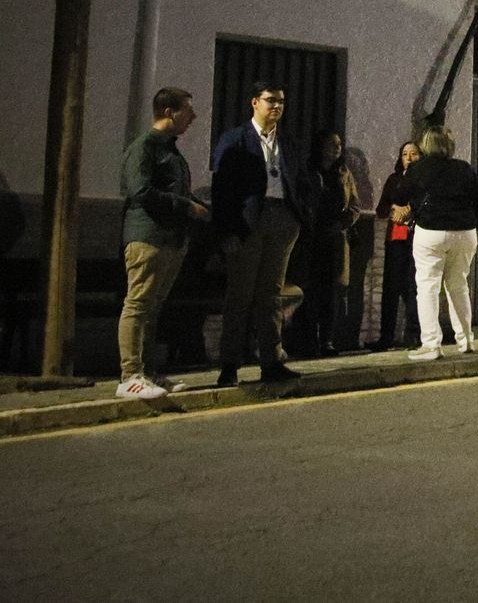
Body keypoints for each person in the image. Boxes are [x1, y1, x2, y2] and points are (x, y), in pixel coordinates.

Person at [211, 80, 309, 386]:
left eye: (281, 101)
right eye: (270, 100)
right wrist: (227, 230)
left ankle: (271, 361)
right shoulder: (236, 139)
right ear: (255, 102)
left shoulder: (288, 141)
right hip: (248, 220)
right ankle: (230, 364)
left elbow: (302, 179)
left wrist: (300, 214)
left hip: (283, 218)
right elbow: (222, 188)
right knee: (240, 293)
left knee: (271, 294)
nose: (277, 106)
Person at [115, 87, 209, 399]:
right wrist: (186, 206)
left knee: (153, 308)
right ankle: (130, 375)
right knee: (138, 304)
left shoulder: (170, 149)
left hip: (171, 238)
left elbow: (174, 189)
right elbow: (140, 191)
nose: (193, 117)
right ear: (169, 111)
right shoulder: (145, 147)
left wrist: (197, 206)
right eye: (187, 110)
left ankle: (147, 372)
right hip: (149, 237)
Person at [392, 124, 478, 360]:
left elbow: (399, 196)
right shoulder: (463, 168)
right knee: (458, 284)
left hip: (431, 232)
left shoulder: (417, 169)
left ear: (426, 145)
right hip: (464, 232)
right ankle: (466, 340)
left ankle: (431, 345)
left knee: (428, 286)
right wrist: (471, 222)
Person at [304, 129, 358, 357]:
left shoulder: (344, 173)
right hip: (310, 236)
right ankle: (307, 340)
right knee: (309, 289)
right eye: (332, 143)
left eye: (339, 144)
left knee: (331, 291)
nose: (337, 148)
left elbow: (354, 205)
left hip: (334, 238)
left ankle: (327, 340)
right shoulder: (309, 170)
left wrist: (342, 223)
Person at [368, 141, 422, 350]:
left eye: (413, 153)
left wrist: (410, 209)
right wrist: (394, 209)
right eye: (405, 154)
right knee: (391, 287)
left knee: (413, 287)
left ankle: (414, 335)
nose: (409, 157)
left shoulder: (423, 179)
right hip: (396, 238)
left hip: (417, 237)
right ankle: (386, 337)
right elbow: (381, 208)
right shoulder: (394, 179)